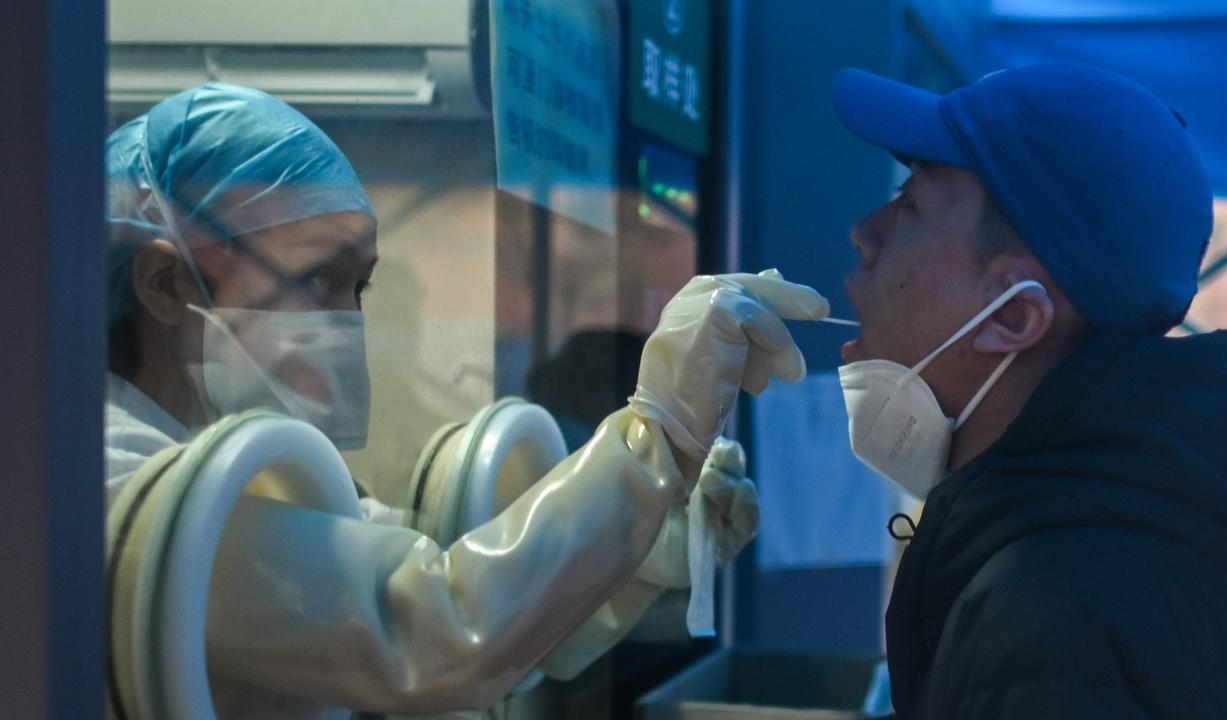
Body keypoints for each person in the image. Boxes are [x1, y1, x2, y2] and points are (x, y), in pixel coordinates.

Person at [104, 83, 828, 717]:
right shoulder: (114, 481)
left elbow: (468, 583)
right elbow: (437, 627)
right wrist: (656, 439)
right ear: (165, 285)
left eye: (358, 289)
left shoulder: (221, 463)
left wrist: (645, 550)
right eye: (320, 281)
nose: (346, 325)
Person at [810, 62, 1227, 718]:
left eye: (911, 206)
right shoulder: (1183, 503)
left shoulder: (1047, 631)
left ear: (1011, 317)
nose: (866, 233)